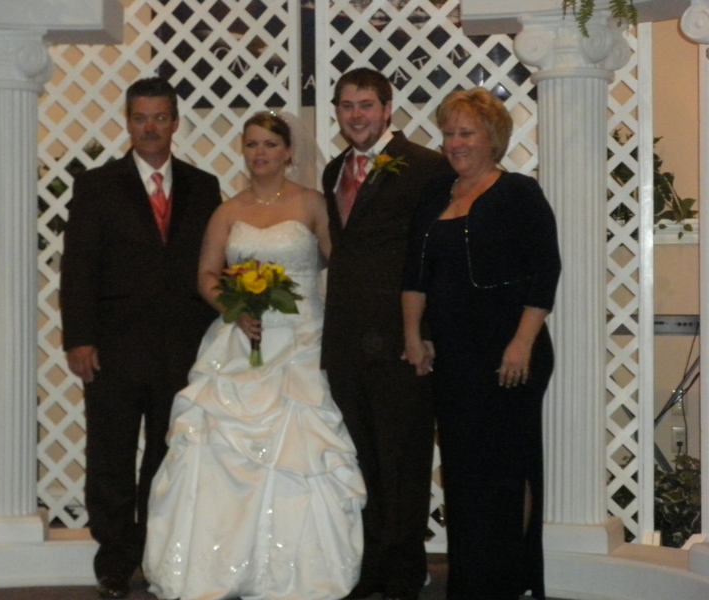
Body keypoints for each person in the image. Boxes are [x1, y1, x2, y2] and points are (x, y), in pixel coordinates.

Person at [142, 111, 366, 600]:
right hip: (241, 340)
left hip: (301, 342)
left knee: (300, 448)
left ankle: (297, 571)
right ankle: (218, 567)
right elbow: (206, 275)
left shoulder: (312, 204)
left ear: (289, 152)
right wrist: (235, 307)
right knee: (213, 446)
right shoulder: (228, 211)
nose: (260, 153)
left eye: (269, 144)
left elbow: (344, 266)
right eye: (252, 145)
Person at [60, 77, 222, 600]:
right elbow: (78, 268)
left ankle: (156, 553)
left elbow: (215, 264)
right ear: (128, 122)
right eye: (140, 118)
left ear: (175, 122)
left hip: (182, 346)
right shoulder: (97, 185)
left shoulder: (203, 186)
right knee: (110, 454)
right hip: (113, 348)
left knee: (166, 455)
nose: (150, 128)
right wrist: (79, 338)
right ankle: (113, 561)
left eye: (159, 117)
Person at [402, 87, 561, 600]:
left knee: (505, 473)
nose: (455, 143)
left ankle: (507, 583)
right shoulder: (435, 195)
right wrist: (414, 335)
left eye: (466, 132)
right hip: (454, 359)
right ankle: (471, 584)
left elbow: (545, 272)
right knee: (464, 475)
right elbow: (414, 275)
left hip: (509, 355)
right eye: (449, 133)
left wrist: (521, 344)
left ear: (492, 137)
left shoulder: (518, 193)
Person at [321, 67, 457, 600]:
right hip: (346, 340)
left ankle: (404, 569)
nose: (356, 115)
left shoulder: (425, 166)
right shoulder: (333, 170)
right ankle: (372, 563)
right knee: (361, 458)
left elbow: (433, 256)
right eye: (347, 105)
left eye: (366, 105)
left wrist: (423, 332)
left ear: (387, 109)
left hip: (402, 339)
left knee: (404, 458)